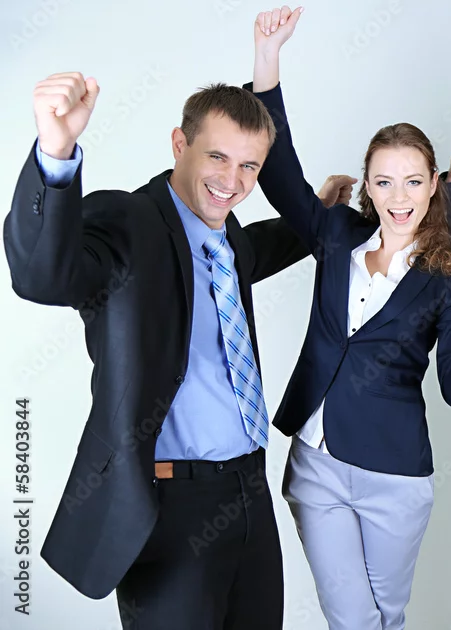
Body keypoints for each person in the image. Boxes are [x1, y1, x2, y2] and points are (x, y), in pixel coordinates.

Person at [4, 71, 321, 628]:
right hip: (168, 507)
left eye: (249, 166)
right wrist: (55, 155)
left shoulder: (230, 240)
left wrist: (323, 215)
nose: (233, 181)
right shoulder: (128, 223)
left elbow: (262, 247)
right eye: (217, 157)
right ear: (180, 144)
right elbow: (42, 276)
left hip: (250, 492)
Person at [247, 8, 451, 629]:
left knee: (386, 616)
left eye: (413, 182)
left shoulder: (449, 273)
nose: (398, 198)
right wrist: (268, 59)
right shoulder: (337, 234)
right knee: (354, 620)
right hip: (317, 462)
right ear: (367, 184)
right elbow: (279, 175)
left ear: (434, 185)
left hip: (395, 475)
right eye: (384, 182)